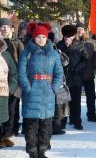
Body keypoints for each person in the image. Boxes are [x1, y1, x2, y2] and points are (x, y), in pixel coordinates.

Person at [18, 23, 64, 158]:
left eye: (43, 36)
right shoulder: (27, 52)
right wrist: (28, 87)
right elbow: (21, 73)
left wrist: (53, 88)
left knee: (46, 123)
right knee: (31, 123)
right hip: (32, 92)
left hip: (47, 93)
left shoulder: (54, 53)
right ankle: (32, 149)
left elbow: (59, 73)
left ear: (47, 37)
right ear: (34, 37)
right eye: (38, 37)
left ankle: (42, 149)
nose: (41, 39)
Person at [57, 25, 89, 130]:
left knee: (76, 101)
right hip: (63, 78)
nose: (68, 39)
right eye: (66, 36)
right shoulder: (59, 45)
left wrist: (77, 69)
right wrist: (66, 47)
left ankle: (76, 121)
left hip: (76, 77)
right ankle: (62, 122)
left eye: (70, 36)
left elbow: (85, 60)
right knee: (63, 101)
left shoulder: (80, 45)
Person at [0, 18, 24, 137]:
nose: (5, 29)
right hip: (1, 78)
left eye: (7, 27)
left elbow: (23, 60)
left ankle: (11, 130)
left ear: (11, 28)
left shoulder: (17, 42)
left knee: (12, 107)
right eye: (2, 27)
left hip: (14, 78)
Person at [75, 22, 96, 122]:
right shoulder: (73, 42)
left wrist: (93, 67)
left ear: (84, 30)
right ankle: (75, 117)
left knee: (91, 96)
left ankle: (91, 115)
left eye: (81, 29)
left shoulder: (91, 42)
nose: (79, 31)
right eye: (77, 29)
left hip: (88, 73)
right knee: (75, 97)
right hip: (76, 74)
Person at [0, 38, 17, 148]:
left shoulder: (6, 55)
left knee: (2, 117)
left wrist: (10, 88)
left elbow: (13, 74)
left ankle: (2, 137)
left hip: (3, 92)